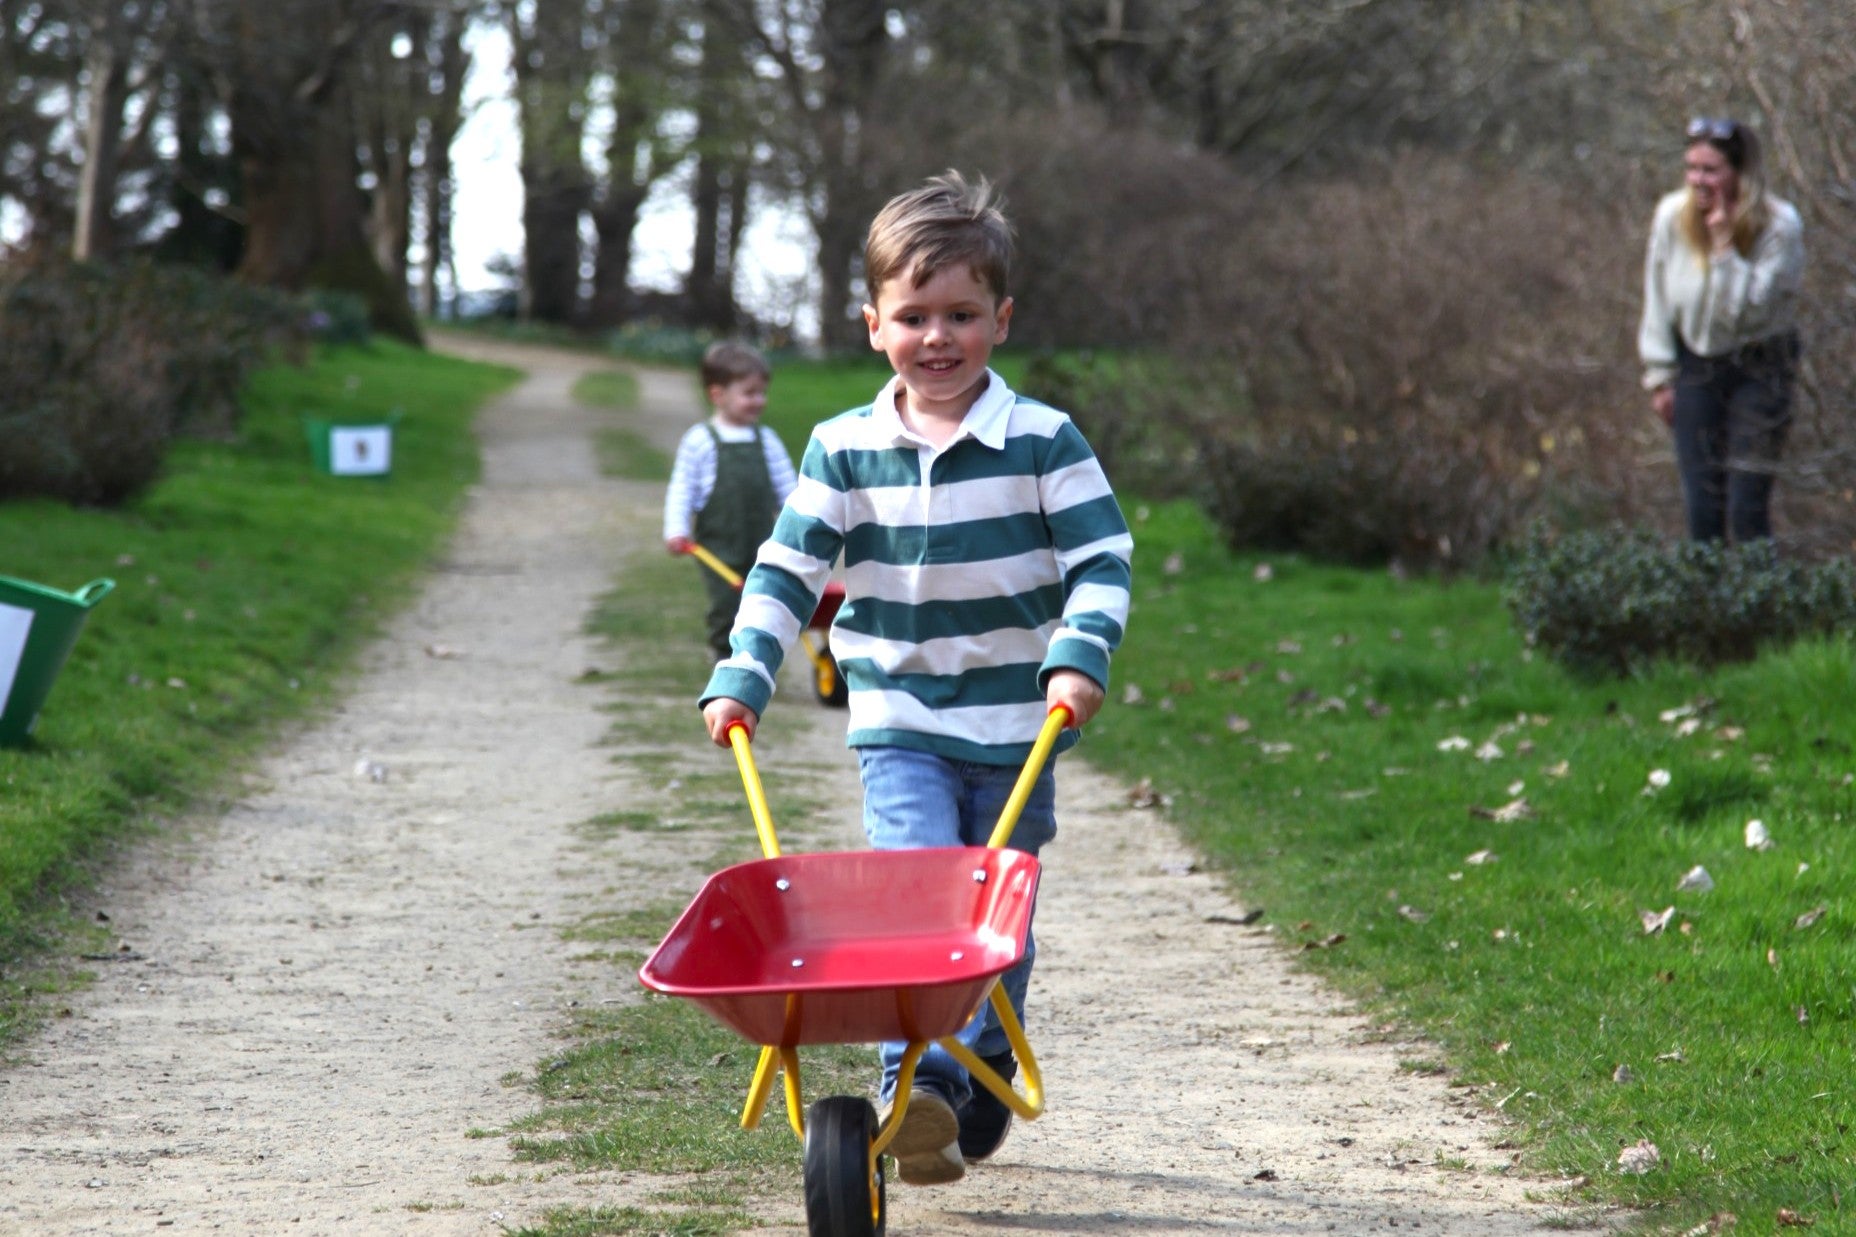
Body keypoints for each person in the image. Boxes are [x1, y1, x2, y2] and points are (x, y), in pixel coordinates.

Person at [697, 171, 1133, 1186]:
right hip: (898, 717)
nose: (937, 337)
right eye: (912, 316)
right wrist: (746, 668)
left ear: (1000, 320)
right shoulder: (844, 448)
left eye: (961, 315)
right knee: (919, 904)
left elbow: (1101, 559)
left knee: (995, 922)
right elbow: (785, 568)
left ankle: (975, 1067)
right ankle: (917, 1086)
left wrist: (1079, 654)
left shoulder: (1042, 441)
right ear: (872, 325)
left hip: (1019, 721)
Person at [1639, 115, 1805, 543]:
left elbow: (1746, 313)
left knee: (1746, 507)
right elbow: (1657, 297)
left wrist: (1725, 248)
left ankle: (1756, 586)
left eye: (1710, 170)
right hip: (1697, 365)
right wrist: (1660, 376)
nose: (1698, 180)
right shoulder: (1671, 217)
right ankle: (1705, 589)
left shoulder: (1780, 227)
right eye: (1691, 168)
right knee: (1702, 509)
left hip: (1761, 367)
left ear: (1740, 172)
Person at [664, 341, 798, 660]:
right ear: (717, 394)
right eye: (749, 393)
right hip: (718, 549)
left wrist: (801, 524)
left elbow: (789, 489)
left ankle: (758, 661)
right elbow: (682, 489)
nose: (759, 401)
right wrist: (676, 529)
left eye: (762, 393)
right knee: (727, 607)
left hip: (763, 544)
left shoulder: (767, 440)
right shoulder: (700, 441)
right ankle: (725, 660)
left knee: (765, 605)